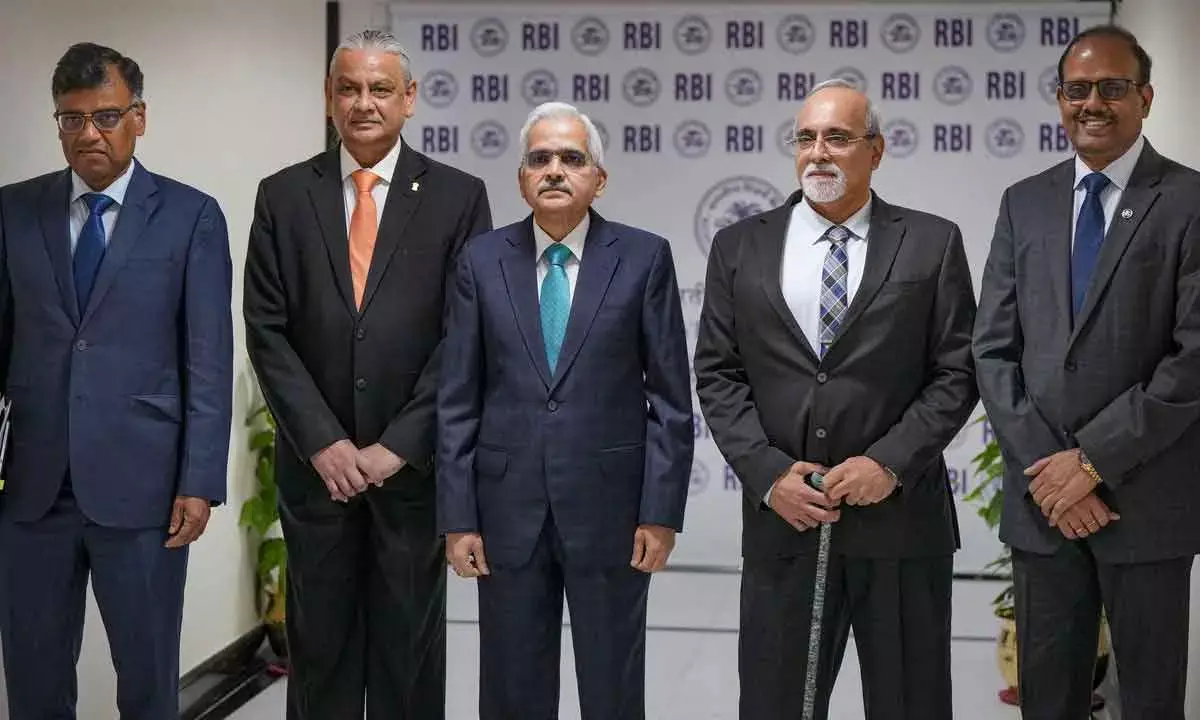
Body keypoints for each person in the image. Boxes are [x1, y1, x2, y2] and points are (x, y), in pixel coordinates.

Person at [693, 78, 978, 720]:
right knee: (775, 705)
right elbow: (717, 372)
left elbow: (956, 371)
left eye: (839, 138)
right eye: (807, 138)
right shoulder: (740, 246)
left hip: (903, 528)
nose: (818, 152)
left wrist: (890, 464)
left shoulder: (932, 243)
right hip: (785, 524)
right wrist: (768, 475)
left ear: (875, 151)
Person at [243, 29, 491, 720]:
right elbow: (266, 330)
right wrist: (323, 442)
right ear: (328, 98)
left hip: (409, 478)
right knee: (318, 655)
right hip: (316, 476)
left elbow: (464, 337)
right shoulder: (283, 196)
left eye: (380, 88)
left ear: (408, 99)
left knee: (408, 655)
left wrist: (397, 446)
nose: (363, 102)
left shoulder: (458, 198)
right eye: (348, 88)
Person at [437, 100, 693, 720]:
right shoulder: (480, 260)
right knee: (511, 687)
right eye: (539, 159)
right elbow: (457, 399)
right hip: (505, 515)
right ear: (522, 177)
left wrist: (661, 513)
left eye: (571, 159)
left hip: (612, 513)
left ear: (598, 179)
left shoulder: (644, 258)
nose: (554, 169)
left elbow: (671, 401)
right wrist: (459, 517)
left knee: (612, 684)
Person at [0, 42, 233, 719]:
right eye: (72, 119)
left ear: (140, 118)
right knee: (34, 677)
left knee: (147, 675)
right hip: (32, 492)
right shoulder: (14, 213)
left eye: (105, 116)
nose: (88, 134)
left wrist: (200, 479)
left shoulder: (191, 217)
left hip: (147, 492)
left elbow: (208, 361)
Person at [974, 25, 1200, 720]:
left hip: (1147, 504)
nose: (1092, 103)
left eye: (1112, 88)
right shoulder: (1025, 201)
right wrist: (1055, 472)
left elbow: (1192, 357)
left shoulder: (1189, 201)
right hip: (1046, 511)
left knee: (1151, 700)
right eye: (1077, 90)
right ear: (1060, 101)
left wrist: (1094, 461)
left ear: (1146, 98)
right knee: (1047, 700)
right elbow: (991, 347)